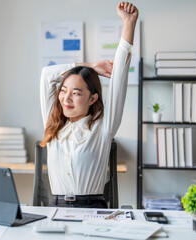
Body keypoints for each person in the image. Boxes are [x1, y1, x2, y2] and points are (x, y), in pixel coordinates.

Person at [39, 2, 138, 208]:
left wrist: (129, 23)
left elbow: (119, 76)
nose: (66, 99)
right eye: (63, 90)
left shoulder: (102, 128)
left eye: (76, 93)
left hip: (92, 210)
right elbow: (47, 75)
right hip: (55, 210)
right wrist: (90, 65)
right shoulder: (53, 124)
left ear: (92, 98)